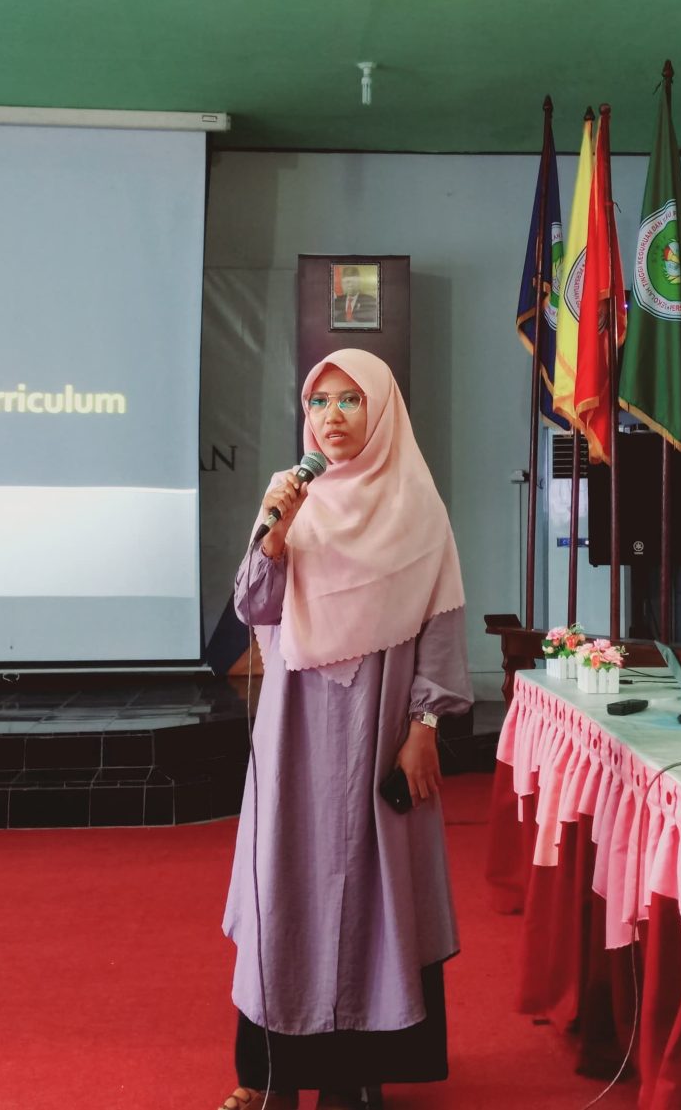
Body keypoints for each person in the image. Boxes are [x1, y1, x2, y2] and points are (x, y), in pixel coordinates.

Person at [218, 349, 471, 1110]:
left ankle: (356, 1074)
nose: (332, 415)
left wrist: (425, 722)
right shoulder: (290, 500)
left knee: (373, 892)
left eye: (351, 400)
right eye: (320, 400)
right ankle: (271, 1075)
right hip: (295, 738)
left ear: (382, 410)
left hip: (381, 727)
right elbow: (252, 608)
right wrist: (272, 533)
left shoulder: (418, 507)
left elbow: (439, 624)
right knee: (285, 888)